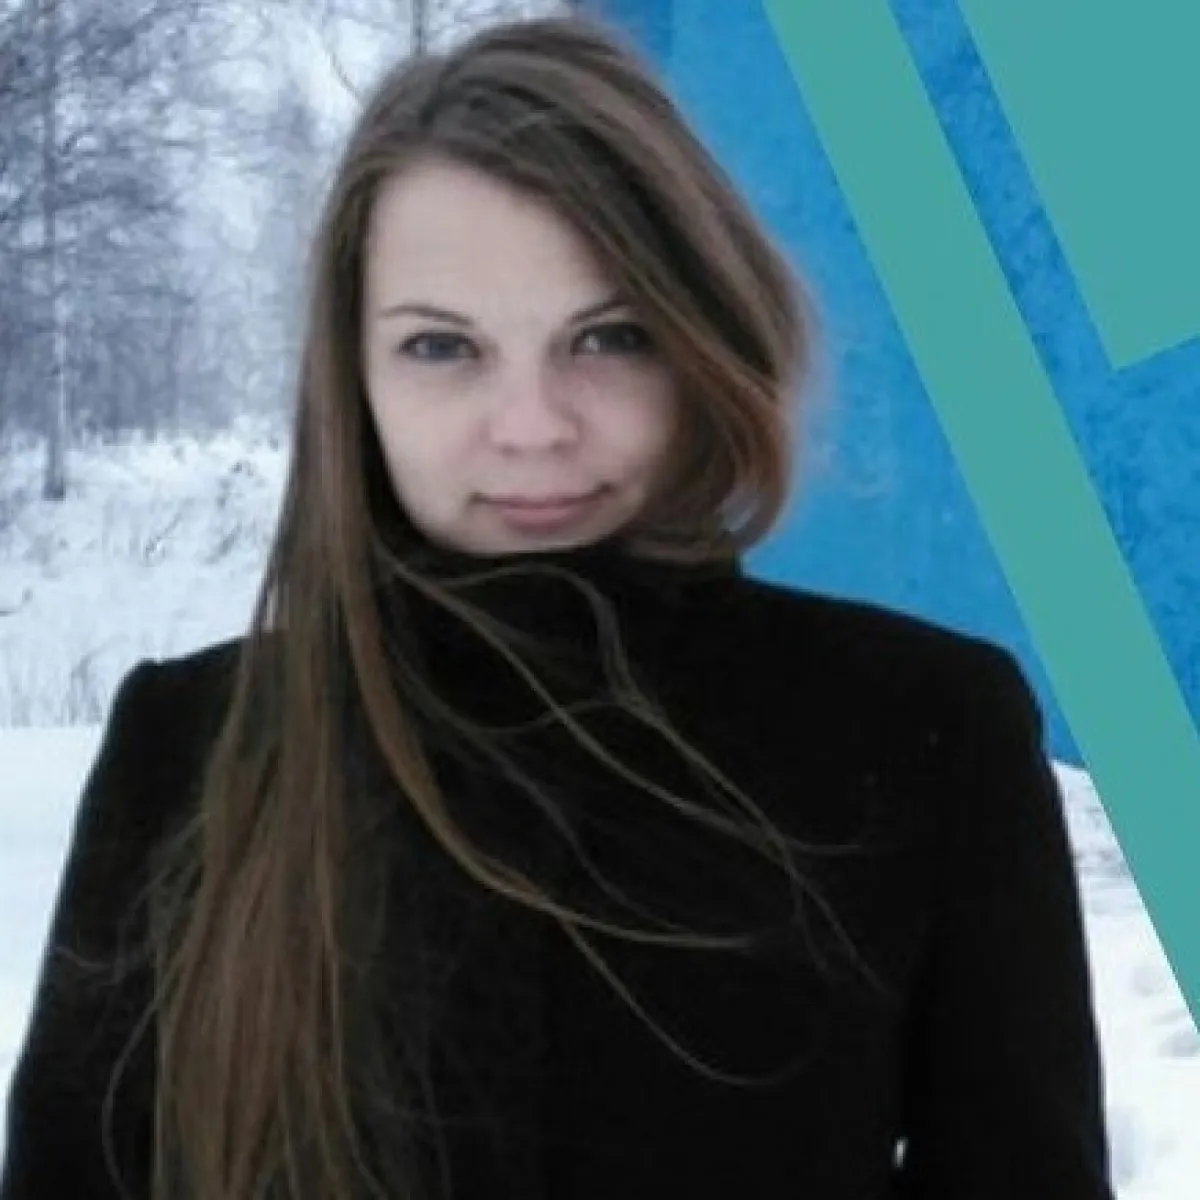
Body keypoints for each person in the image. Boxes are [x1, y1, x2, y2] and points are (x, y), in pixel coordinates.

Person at [0, 13, 1115, 1200]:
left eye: (610, 337)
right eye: (442, 348)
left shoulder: (923, 731)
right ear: (353, 375)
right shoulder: (195, 749)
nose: (532, 427)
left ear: (704, 338)